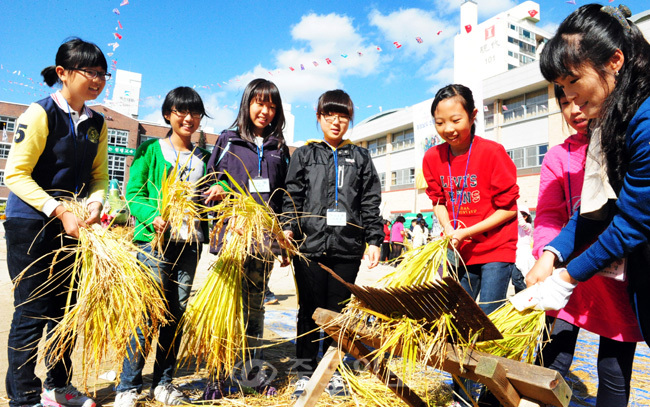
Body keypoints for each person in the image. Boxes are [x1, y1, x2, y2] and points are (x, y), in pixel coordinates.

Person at [515, 5, 650, 405]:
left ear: (615, 61)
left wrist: (566, 278)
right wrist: (553, 252)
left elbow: (632, 221)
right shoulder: (610, 120)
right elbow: (594, 207)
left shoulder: (643, 119)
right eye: (560, 85)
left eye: (573, 80)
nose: (567, 96)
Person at [3, 38, 108, 407]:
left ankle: (58, 387)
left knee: (68, 311)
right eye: (89, 72)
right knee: (32, 310)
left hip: (75, 226)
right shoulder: (39, 113)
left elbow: (99, 176)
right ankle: (25, 396)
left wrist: (94, 204)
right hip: (30, 224)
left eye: (102, 73)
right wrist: (58, 210)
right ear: (63, 73)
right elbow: (15, 175)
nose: (97, 79)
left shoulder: (96, 122)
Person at [531, 83, 642, 406]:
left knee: (613, 369)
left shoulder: (623, 143)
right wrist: (545, 256)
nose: (575, 110)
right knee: (552, 357)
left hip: (617, 282)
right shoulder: (557, 157)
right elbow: (549, 215)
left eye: (581, 100)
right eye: (565, 103)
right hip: (566, 280)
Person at [282, 89, 383, 397]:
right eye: (330, 115)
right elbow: (292, 196)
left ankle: (333, 370)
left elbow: (370, 201)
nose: (336, 122)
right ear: (319, 118)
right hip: (309, 247)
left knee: (338, 312)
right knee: (309, 308)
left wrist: (374, 240)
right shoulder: (305, 153)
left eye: (343, 116)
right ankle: (304, 369)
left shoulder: (361, 156)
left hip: (348, 248)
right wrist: (288, 230)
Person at [422, 84, 519, 405]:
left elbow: (509, 208)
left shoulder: (492, 152)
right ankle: (461, 392)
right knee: (455, 322)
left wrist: (468, 230)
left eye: (455, 120)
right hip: (460, 251)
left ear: (473, 115)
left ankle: (491, 395)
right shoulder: (433, 158)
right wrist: (449, 227)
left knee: (487, 323)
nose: (448, 129)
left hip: (495, 249)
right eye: (439, 122)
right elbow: (437, 200)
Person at [114, 87, 210, 407]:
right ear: (168, 114)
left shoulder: (204, 159)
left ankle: (164, 383)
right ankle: (128, 386)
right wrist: (152, 216)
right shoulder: (151, 150)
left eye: (195, 112)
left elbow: (213, 194)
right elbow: (134, 193)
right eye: (181, 111)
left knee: (174, 315)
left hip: (189, 245)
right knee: (146, 314)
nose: (188, 118)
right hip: (153, 244)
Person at [204, 78, 289, 388]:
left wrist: (283, 241)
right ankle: (219, 375)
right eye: (259, 103)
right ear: (247, 103)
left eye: (271, 105)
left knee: (255, 308)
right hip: (232, 236)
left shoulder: (280, 147)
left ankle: (249, 371)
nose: (264, 111)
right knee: (226, 307)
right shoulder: (228, 139)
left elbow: (283, 196)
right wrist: (220, 194)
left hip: (264, 241)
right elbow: (211, 184)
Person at [511, 207, 534, 293]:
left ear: (526, 217)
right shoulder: (514, 228)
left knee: (517, 278)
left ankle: (528, 294)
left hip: (524, 254)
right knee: (515, 279)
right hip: (516, 254)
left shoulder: (528, 226)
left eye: (523, 215)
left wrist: (515, 208)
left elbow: (523, 225)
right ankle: (520, 297)